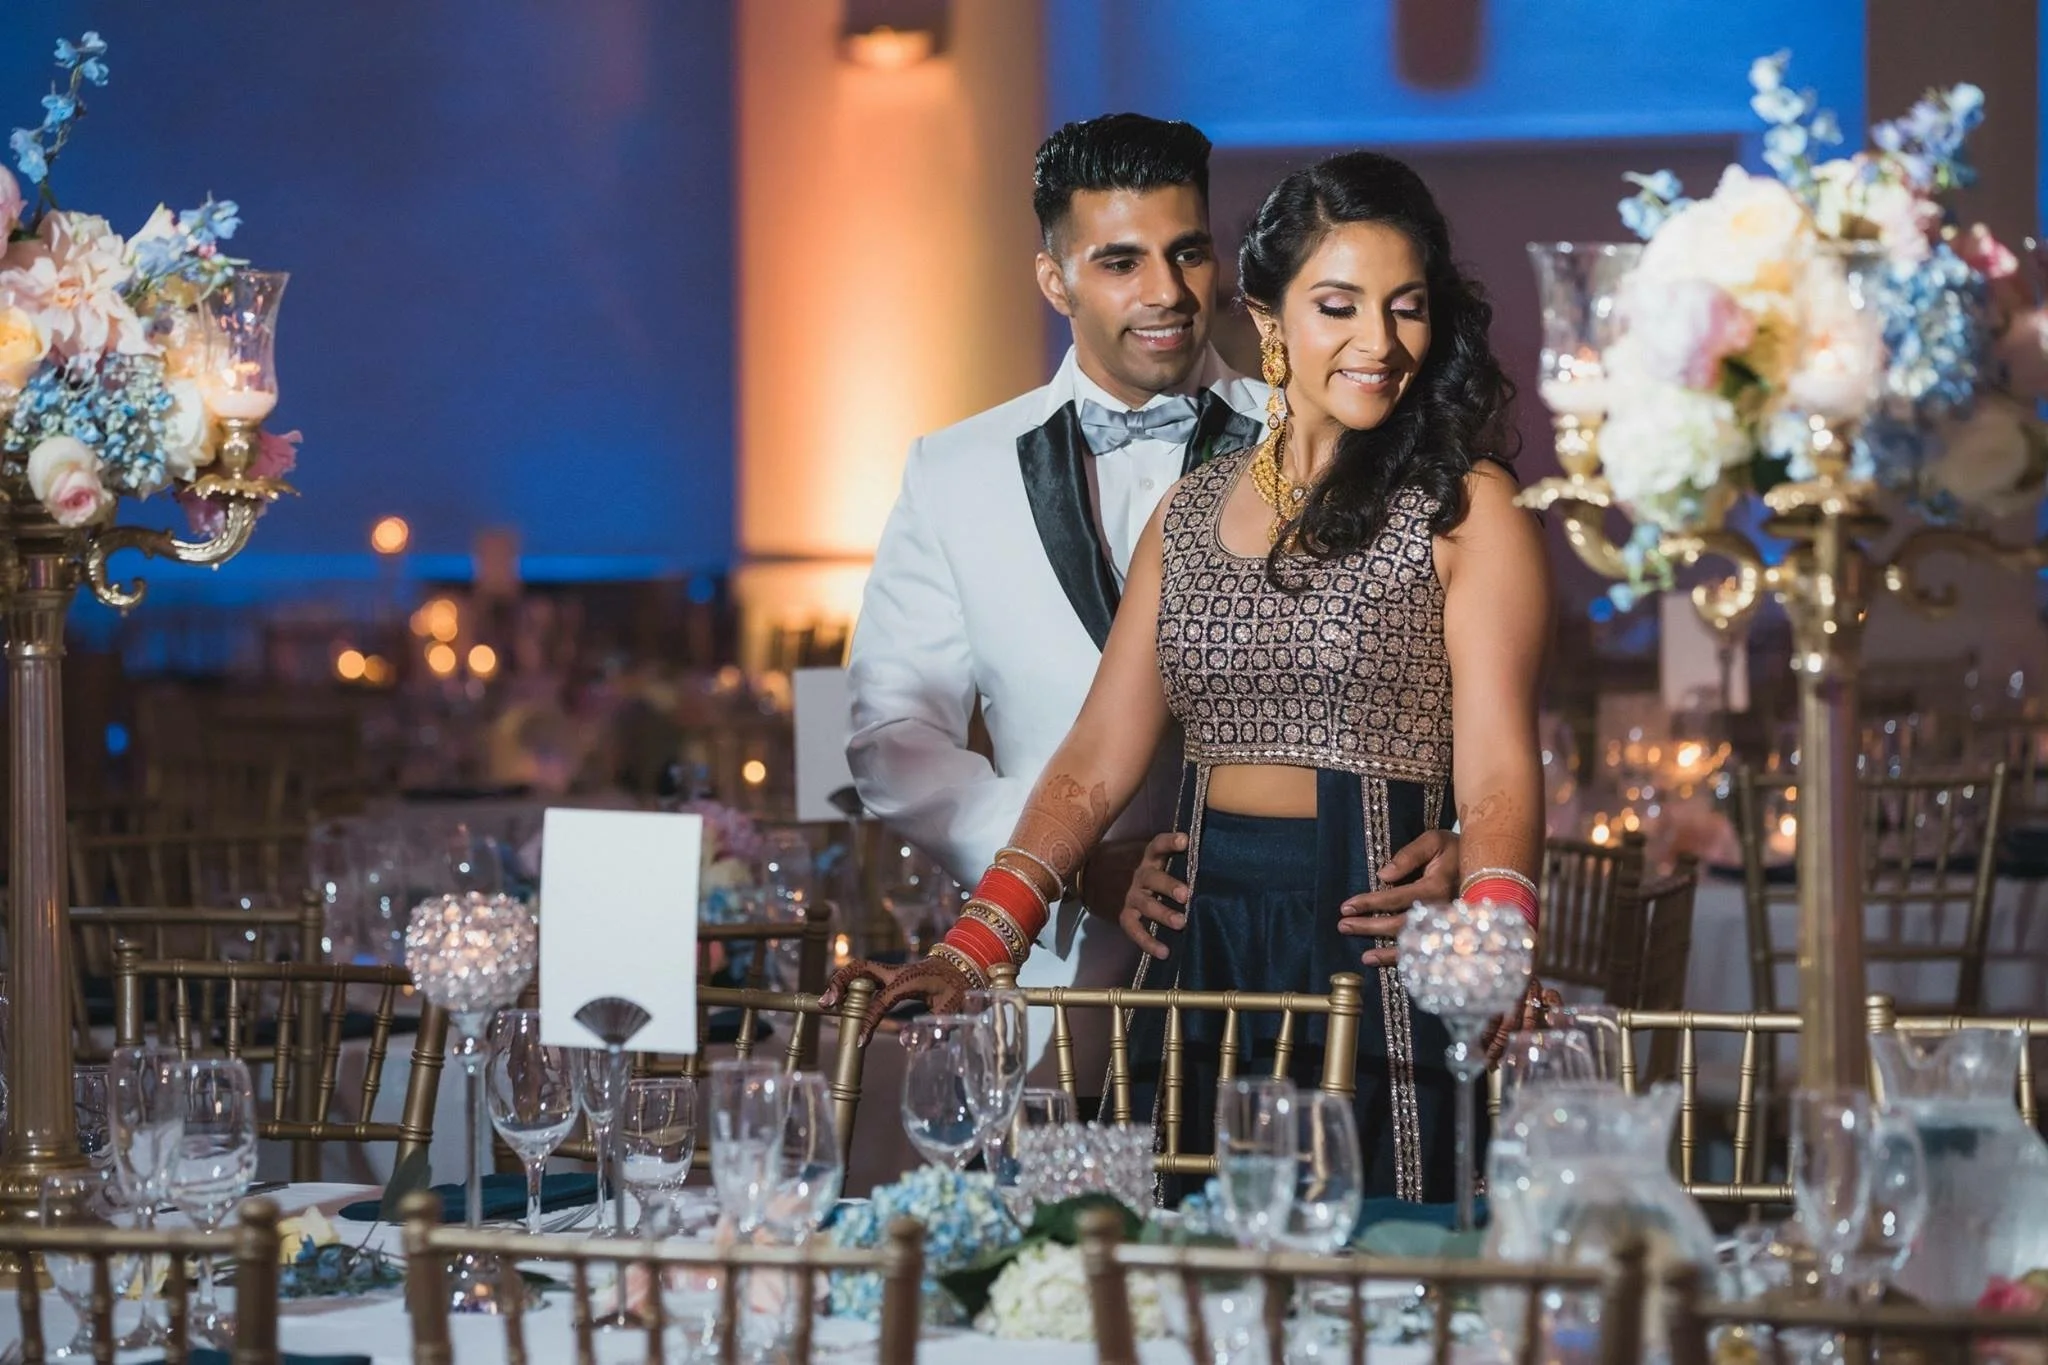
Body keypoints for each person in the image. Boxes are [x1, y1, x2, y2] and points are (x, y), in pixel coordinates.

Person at [829, 149, 1551, 1201]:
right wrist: (978, 945)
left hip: (1374, 954)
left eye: (1405, 309)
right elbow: (1090, 763)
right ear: (1266, 317)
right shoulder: (1190, 514)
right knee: (1183, 1270)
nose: (1378, 343)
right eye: (1338, 306)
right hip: (1199, 950)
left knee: (1377, 1270)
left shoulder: (1466, 506)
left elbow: (1495, 773)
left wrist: (1495, 941)